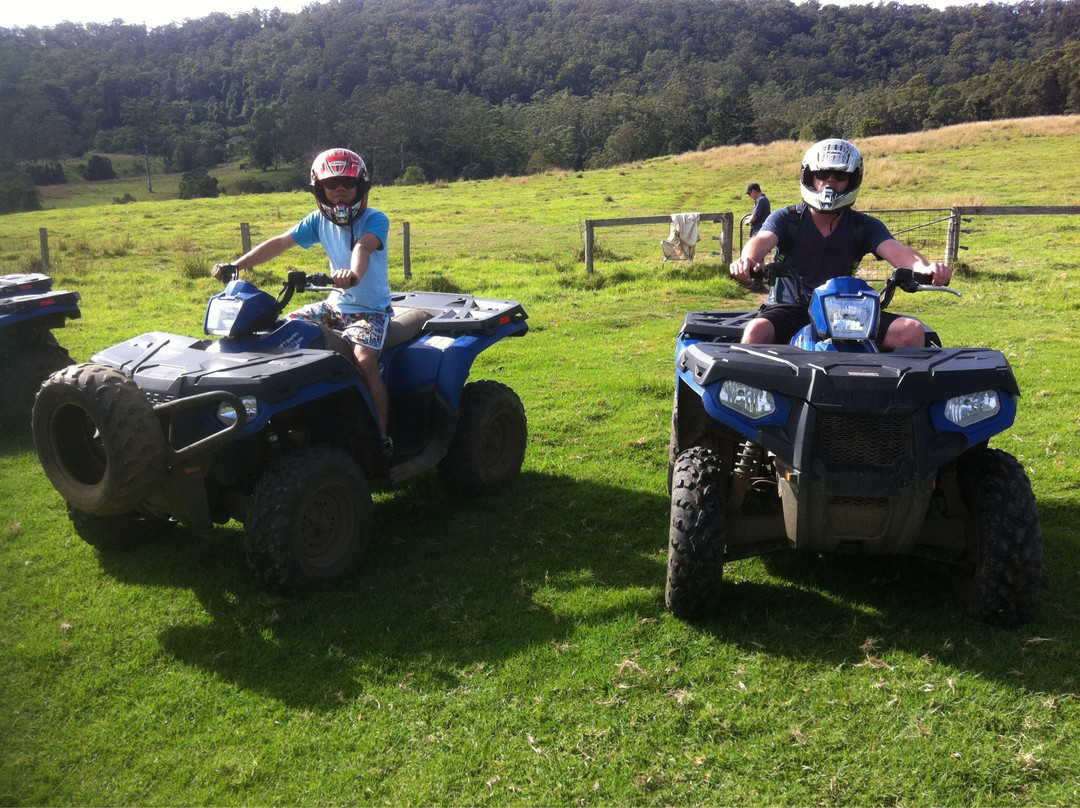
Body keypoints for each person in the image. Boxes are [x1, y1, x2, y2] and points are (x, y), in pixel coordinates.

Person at [212, 147, 392, 447]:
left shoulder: (375, 219)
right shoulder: (317, 221)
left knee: (364, 361)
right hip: (334, 306)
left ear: (360, 187)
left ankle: (381, 438)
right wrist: (236, 265)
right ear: (320, 189)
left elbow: (362, 247)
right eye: (331, 184)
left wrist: (352, 274)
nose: (340, 190)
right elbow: (280, 243)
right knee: (281, 332)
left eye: (348, 183)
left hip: (370, 311)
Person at [729, 139, 951, 349]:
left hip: (846, 310)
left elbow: (897, 251)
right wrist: (747, 260)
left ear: (852, 180)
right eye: (822, 174)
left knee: (910, 331)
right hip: (791, 308)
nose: (830, 181)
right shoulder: (787, 218)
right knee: (756, 331)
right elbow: (761, 239)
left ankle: (880, 379)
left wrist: (924, 268)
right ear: (810, 177)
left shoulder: (863, 226)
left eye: (840, 175)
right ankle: (748, 380)